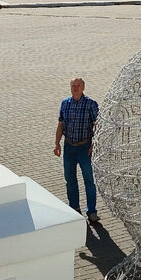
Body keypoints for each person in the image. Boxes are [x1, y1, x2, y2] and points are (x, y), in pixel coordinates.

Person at [54, 77, 100, 223]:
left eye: (78, 85)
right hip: (69, 147)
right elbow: (61, 124)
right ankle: (74, 208)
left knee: (88, 180)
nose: (75, 88)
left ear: (83, 87)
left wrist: (94, 145)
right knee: (70, 179)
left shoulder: (91, 104)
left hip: (85, 148)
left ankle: (91, 211)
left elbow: (98, 125)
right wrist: (57, 143)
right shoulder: (65, 103)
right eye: (73, 86)